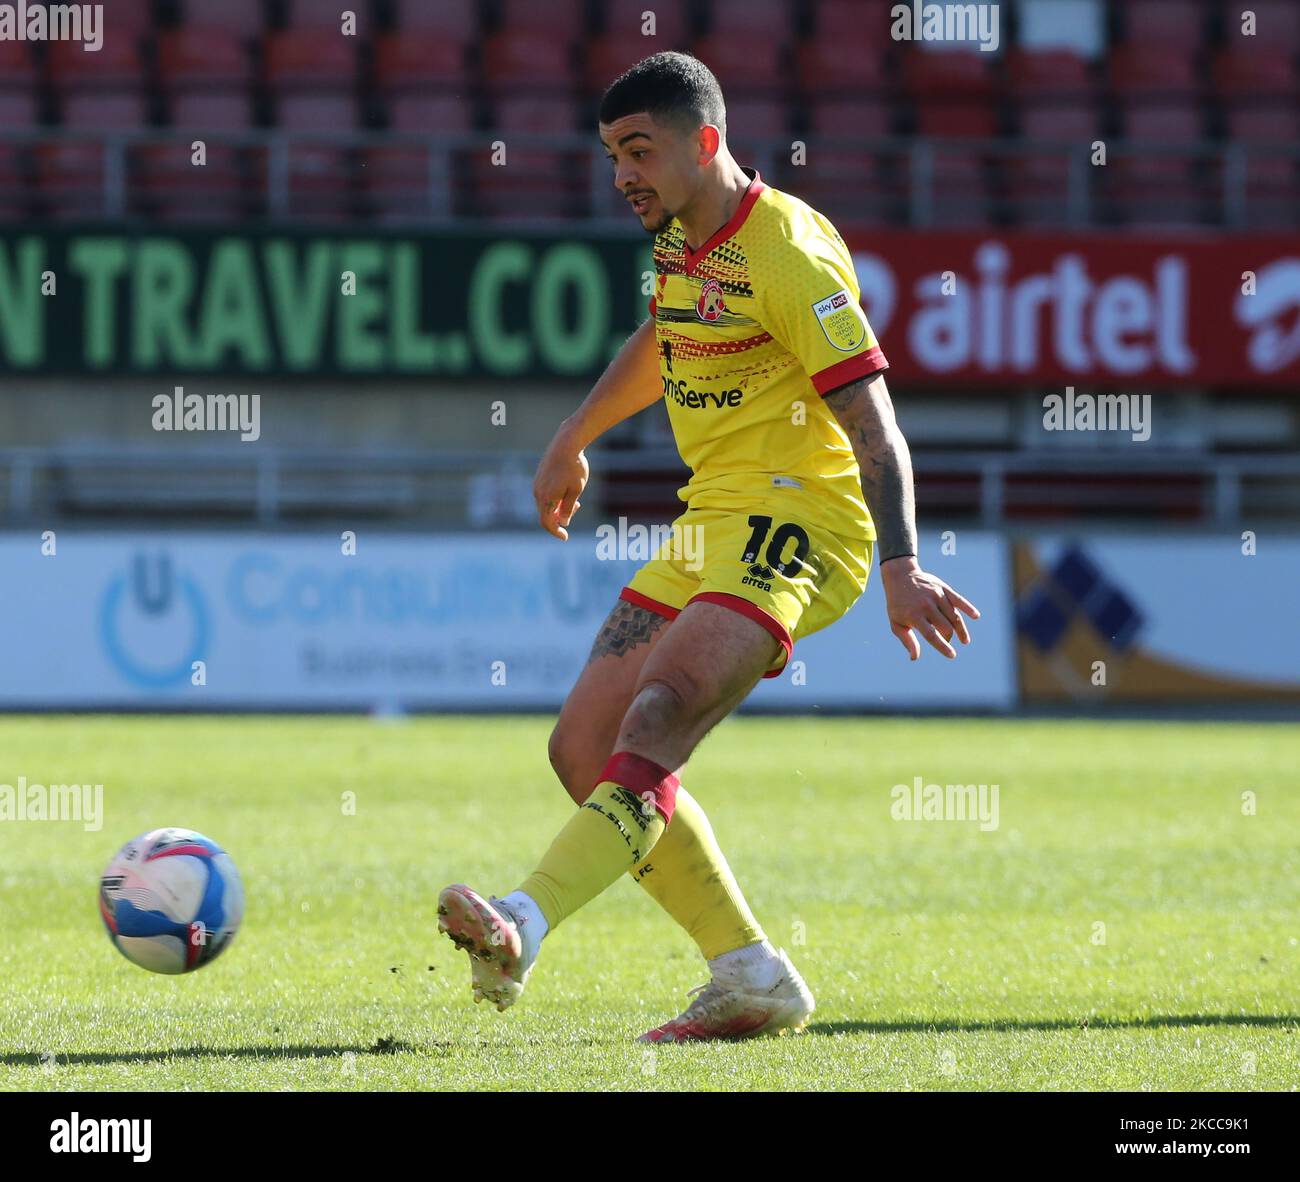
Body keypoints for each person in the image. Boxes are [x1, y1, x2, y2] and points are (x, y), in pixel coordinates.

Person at [439, 52, 979, 1043]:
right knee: (585, 749)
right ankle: (750, 975)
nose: (623, 177)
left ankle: (522, 922)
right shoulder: (680, 244)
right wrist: (573, 437)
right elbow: (661, 342)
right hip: (710, 523)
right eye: (611, 157)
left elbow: (875, 427)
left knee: (660, 712)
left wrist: (901, 565)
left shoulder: (784, 254)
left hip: (802, 522)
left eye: (638, 151)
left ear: (705, 142)